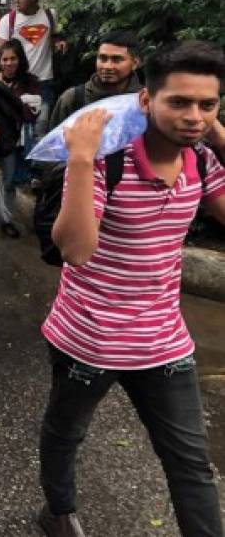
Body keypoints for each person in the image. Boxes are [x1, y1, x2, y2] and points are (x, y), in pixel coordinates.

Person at [37, 41, 225, 537]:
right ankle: (57, 510)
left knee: (191, 465)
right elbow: (75, 249)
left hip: (164, 341)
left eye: (207, 105)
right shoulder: (107, 164)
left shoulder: (202, 164)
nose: (194, 116)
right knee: (66, 433)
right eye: (179, 102)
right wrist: (80, 158)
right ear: (147, 101)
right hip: (88, 339)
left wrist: (220, 138)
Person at [0, 0, 67, 116]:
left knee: (42, 127)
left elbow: (54, 36)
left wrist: (59, 41)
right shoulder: (8, 21)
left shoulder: (50, 15)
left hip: (44, 81)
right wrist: (0, 81)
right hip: (18, 83)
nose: (16, 0)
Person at [0, 39, 40, 238]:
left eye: (13, 59)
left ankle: (6, 219)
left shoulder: (30, 82)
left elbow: (32, 114)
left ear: (20, 60)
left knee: (9, 181)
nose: (9, 63)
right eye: (5, 59)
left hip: (13, 140)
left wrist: (13, 101)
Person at [50, 30, 143, 129]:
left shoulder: (145, 101)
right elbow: (54, 142)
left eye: (116, 59)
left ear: (135, 63)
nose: (107, 66)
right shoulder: (73, 99)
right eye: (102, 58)